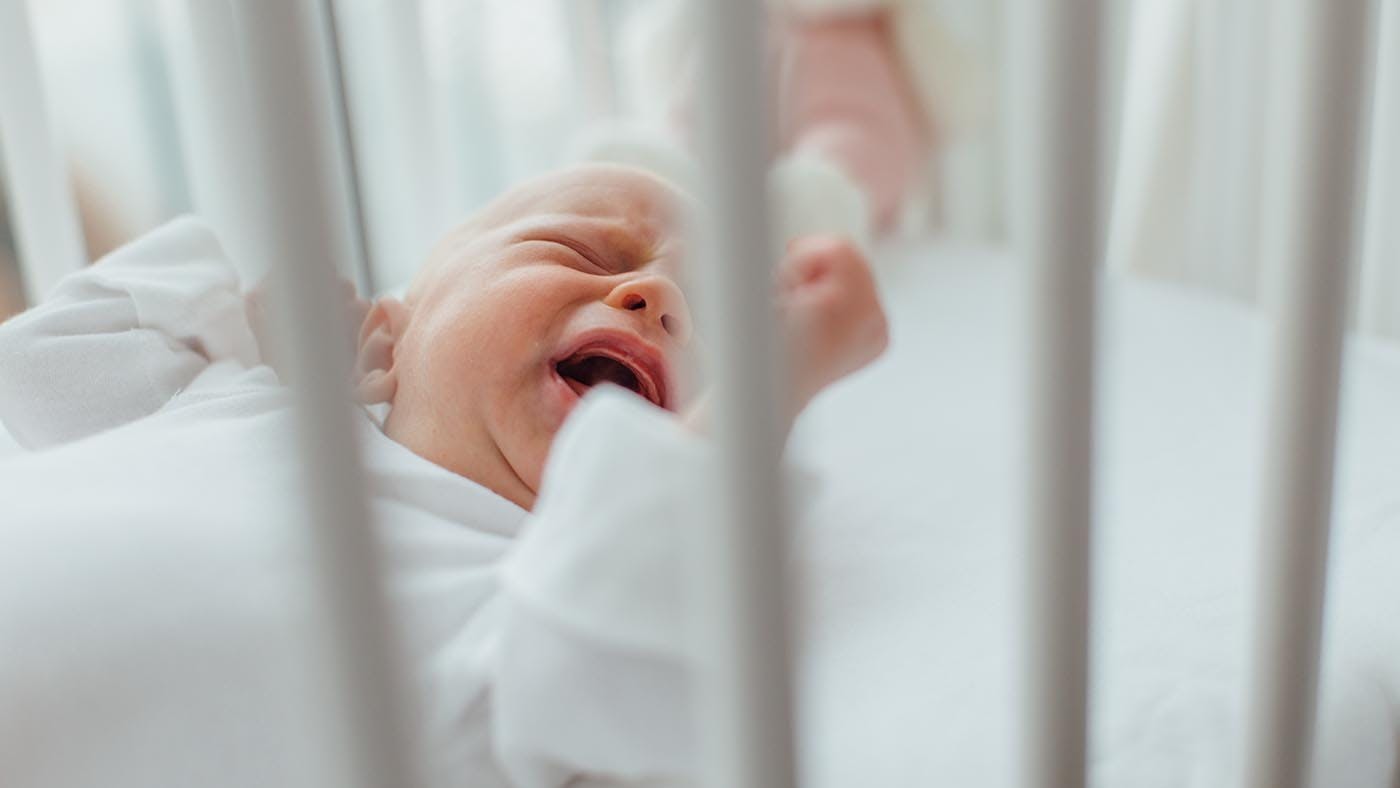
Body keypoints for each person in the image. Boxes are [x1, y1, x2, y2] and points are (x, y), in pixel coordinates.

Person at [0, 163, 885, 786]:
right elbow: (38, 369)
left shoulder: (522, 604)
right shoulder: (246, 403)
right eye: (584, 252)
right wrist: (241, 324)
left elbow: (638, 646)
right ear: (388, 338)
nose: (661, 300)